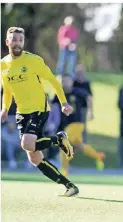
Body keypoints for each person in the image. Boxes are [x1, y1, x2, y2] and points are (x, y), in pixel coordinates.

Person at [1, 27, 79, 197]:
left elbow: (54, 81)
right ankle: (69, 186)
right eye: (14, 39)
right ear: (7, 42)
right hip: (22, 112)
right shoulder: (3, 65)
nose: (17, 43)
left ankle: (59, 139)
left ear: (23, 42)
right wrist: (5, 109)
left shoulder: (34, 61)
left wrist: (64, 102)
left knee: (26, 144)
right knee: (34, 157)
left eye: (20, 40)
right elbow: (7, 90)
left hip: (39, 108)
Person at [53, 74, 105, 176]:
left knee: (64, 143)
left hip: (76, 124)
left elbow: (89, 97)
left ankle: (64, 170)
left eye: (66, 81)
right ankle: (98, 156)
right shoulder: (59, 94)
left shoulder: (77, 92)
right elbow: (51, 103)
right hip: (67, 125)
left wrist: (90, 112)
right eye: (62, 81)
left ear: (71, 82)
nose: (64, 83)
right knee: (80, 146)